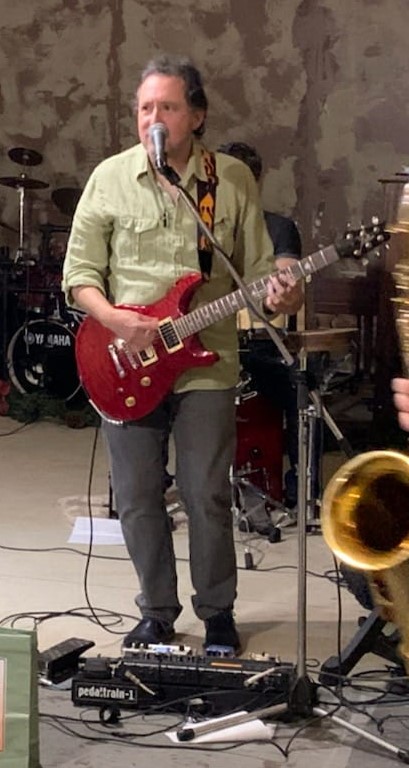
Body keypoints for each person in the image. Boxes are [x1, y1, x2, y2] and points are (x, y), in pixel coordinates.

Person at [62, 53, 304, 652]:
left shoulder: (230, 180)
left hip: (207, 361)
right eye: (145, 108)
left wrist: (282, 291)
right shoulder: (109, 178)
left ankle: (217, 611)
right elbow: (79, 274)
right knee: (137, 496)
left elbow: (257, 276)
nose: (154, 118)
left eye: (167, 107)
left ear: (195, 115)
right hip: (123, 358)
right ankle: (157, 611)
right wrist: (116, 319)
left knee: (206, 492)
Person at [217, 141, 303, 509]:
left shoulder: (279, 228)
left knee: (302, 391)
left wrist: (280, 296)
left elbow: (288, 290)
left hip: (260, 342)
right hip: (207, 340)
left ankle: (302, 487)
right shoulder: (201, 226)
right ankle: (160, 483)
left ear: (255, 183)